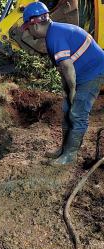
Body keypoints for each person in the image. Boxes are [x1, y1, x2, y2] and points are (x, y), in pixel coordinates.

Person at [21, 2, 104, 165]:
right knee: (67, 110)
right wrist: (68, 91)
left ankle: (70, 156)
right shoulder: (55, 32)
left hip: (94, 72)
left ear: (35, 24)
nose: (29, 33)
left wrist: (72, 90)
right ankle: (64, 149)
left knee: (77, 113)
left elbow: (67, 67)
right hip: (82, 72)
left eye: (28, 28)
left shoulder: (55, 36)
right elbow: (64, 68)